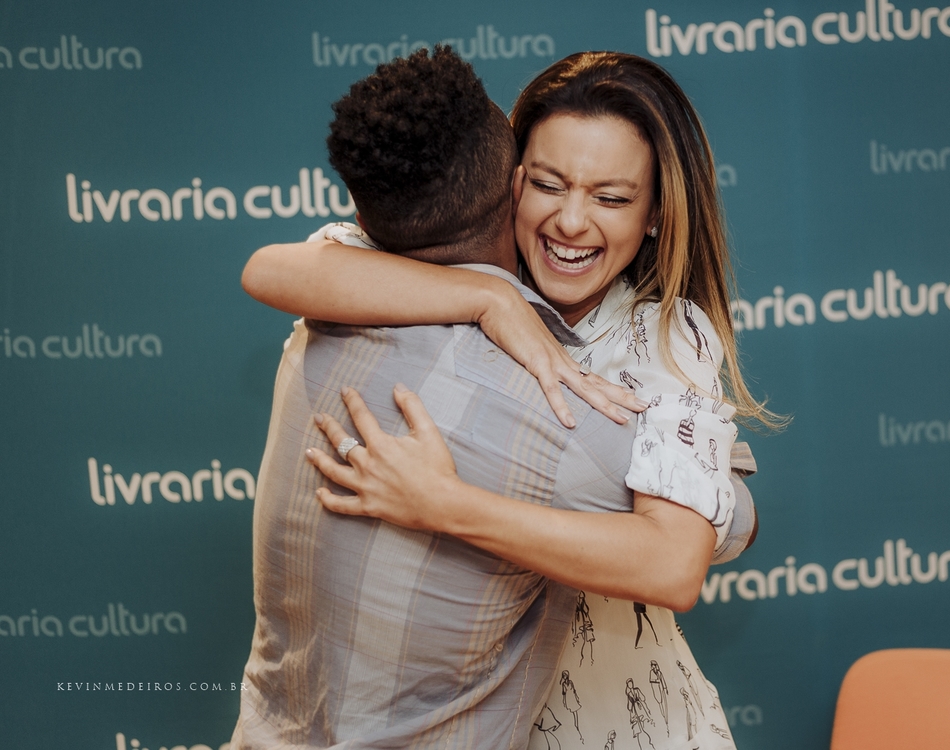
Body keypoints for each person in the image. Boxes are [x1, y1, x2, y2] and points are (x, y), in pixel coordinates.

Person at [243, 51, 777, 749]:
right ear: (512, 179)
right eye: (550, 184)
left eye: (612, 198)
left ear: (655, 215)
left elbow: (674, 566)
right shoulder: (452, 265)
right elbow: (270, 270)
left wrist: (449, 507)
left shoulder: (665, 337)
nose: (572, 221)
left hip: (619, 721)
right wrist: (486, 297)